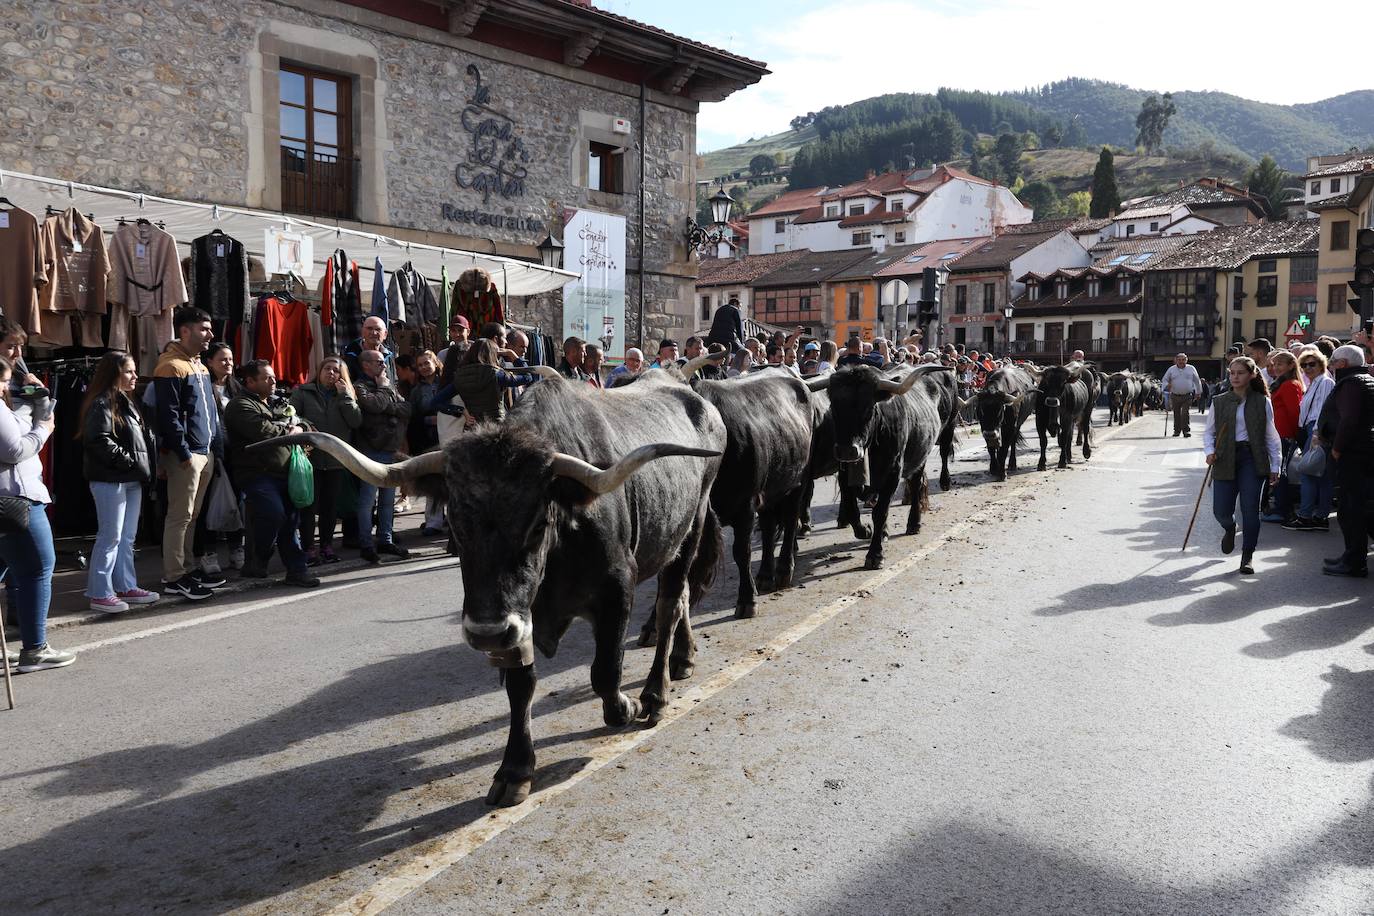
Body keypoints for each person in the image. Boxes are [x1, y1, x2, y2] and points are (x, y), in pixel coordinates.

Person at [0, 356, 72, 672]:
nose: (7, 386)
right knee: (38, 569)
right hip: (15, 498)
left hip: (14, 495)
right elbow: (14, 450)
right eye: (3, 380)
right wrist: (43, 429)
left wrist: (37, 402)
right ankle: (35, 649)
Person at [225, 360, 320, 587]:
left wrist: (299, 428)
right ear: (250, 381)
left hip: (284, 474)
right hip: (256, 474)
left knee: (290, 523)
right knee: (274, 513)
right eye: (267, 378)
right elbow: (263, 431)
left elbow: (306, 425)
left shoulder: (276, 402)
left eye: (273, 377)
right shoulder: (240, 405)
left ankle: (297, 570)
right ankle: (260, 557)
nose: (273, 381)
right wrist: (291, 429)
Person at [79, 351, 159, 613]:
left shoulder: (126, 401)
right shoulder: (103, 403)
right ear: (114, 373)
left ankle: (125, 585)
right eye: (128, 371)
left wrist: (137, 466)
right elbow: (98, 440)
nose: (135, 376)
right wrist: (130, 462)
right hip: (111, 479)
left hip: (130, 478)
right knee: (110, 536)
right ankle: (100, 592)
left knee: (126, 537)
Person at [153, 307, 223, 601]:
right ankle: (174, 576)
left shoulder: (200, 366)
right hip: (188, 455)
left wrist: (213, 449)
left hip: (204, 452)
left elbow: (209, 413)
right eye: (204, 329)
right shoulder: (170, 366)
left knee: (192, 516)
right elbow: (167, 417)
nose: (210, 335)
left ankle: (187, 568)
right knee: (180, 516)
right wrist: (183, 453)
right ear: (185, 331)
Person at [1203, 356, 1281, 575]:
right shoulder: (1219, 401)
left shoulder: (1262, 401)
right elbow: (1209, 433)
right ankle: (1229, 527)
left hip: (1252, 458)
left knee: (1250, 511)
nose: (1235, 377)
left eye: (1240, 373)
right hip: (1225, 458)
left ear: (1252, 375)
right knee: (1221, 511)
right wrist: (1209, 452)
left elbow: (1271, 436)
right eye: (1232, 373)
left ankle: (1247, 556)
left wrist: (1276, 465)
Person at [291, 356, 363, 563]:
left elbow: (355, 421)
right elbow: (292, 416)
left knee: (330, 508)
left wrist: (345, 397)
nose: (331, 373)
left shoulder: (347, 394)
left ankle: (327, 546)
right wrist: (304, 424)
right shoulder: (303, 392)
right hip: (310, 458)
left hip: (334, 460)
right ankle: (308, 548)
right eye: (327, 369)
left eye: (336, 370)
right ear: (319, 371)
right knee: (308, 507)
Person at [1316, 345, 1374, 577]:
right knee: (1357, 507)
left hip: (1352, 454)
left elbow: (1348, 420)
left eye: (1333, 361)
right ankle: (1351, 555)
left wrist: (1337, 449)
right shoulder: (1366, 380)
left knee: (1351, 510)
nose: (1330, 365)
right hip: (1362, 451)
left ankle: (1354, 561)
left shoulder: (1351, 383)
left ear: (1342, 364)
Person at [355, 349, 412, 564]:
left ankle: (385, 539)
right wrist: (383, 390)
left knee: (387, 501)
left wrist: (387, 401)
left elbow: (407, 408)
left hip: (390, 450)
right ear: (366, 365)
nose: (384, 365)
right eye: (379, 362)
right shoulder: (360, 387)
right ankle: (366, 544)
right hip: (371, 449)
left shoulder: (389, 384)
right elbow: (373, 405)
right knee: (367, 501)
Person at [192, 341, 245, 576]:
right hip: (213, 454)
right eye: (223, 359)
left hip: (237, 456)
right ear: (209, 362)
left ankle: (236, 549)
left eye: (231, 359)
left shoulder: (237, 388)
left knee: (236, 503)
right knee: (210, 504)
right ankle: (208, 551)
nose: (228, 364)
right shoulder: (204, 388)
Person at [1286, 347, 1336, 532]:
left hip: (1317, 430)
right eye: (1304, 365)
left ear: (1321, 364)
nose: (1307, 368)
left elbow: (1323, 410)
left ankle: (1306, 516)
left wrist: (1316, 434)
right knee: (1321, 474)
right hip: (1312, 429)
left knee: (1307, 472)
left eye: (1311, 364)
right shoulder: (1315, 383)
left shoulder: (1324, 382)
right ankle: (1320, 516)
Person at [1262, 350, 1304, 524]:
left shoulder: (1290, 385)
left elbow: (1295, 413)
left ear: (1290, 365)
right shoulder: (1281, 383)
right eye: (1274, 364)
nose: (1275, 367)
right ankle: (1280, 508)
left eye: (1280, 364)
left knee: (1281, 474)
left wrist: (1293, 436)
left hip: (1284, 435)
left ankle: (1282, 510)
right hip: (1278, 434)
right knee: (1278, 473)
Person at [453, 338, 536, 423]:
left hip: (475, 428)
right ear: (492, 355)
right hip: (496, 426)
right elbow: (527, 377)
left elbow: (439, 400)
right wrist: (511, 354)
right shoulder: (495, 374)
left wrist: (461, 410)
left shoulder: (459, 376)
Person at [1161, 353, 1203, 437]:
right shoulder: (1171, 369)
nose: (1181, 361)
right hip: (1175, 395)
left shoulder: (1191, 368)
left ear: (1186, 360)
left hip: (1187, 395)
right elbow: (1164, 379)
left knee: (1185, 413)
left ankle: (1186, 431)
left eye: (1183, 359)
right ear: (1176, 360)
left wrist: (1198, 392)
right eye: (1179, 360)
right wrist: (1167, 385)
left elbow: (1197, 380)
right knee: (1176, 413)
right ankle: (1176, 431)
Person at [344, 315, 397, 380]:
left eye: (378, 329)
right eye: (369, 328)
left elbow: (394, 381)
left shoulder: (389, 355)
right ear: (362, 332)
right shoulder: (350, 355)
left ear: (385, 334)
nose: (374, 333)